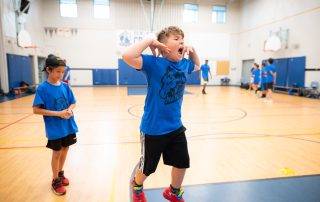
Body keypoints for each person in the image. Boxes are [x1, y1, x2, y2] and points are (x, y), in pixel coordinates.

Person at [122, 26, 200, 202]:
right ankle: (137, 186)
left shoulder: (183, 64)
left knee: (182, 162)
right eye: (176, 39)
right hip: (153, 129)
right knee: (148, 168)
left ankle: (174, 191)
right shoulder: (153, 63)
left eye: (182, 39)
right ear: (163, 46)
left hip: (175, 126)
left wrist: (193, 50)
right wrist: (150, 39)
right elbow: (127, 56)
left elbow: (197, 65)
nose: (181, 41)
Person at [32, 54, 78, 195]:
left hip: (68, 125)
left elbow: (73, 102)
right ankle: (55, 180)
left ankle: (60, 172)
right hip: (55, 129)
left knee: (65, 149)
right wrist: (58, 113)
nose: (61, 74)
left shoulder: (65, 86)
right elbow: (36, 110)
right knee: (57, 152)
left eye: (63, 71)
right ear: (49, 70)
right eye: (58, 71)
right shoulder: (42, 89)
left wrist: (69, 109)